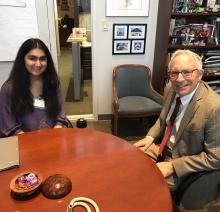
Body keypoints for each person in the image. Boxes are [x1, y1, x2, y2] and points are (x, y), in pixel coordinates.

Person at [134, 49, 220, 192]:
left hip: (184, 162)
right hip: (162, 148)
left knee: (143, 186)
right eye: (174, 73)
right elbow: (163, 119)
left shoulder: (215, 107)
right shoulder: (170, 88)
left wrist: (173, 166)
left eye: (187, 72)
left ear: (200, 74)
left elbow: (216, 158)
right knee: (129, 160)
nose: (180, 79)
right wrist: (150, 137)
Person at [0, 38, 68, 137]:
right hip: (23, 142)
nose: (38, 64)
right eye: (32, 58)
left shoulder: (52, 83)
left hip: (51, 138)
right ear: (23, 59)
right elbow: (9, 124)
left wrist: (57, 129)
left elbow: (60, 113)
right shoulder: (8, 89)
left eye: (42, 59)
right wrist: (32, 142)